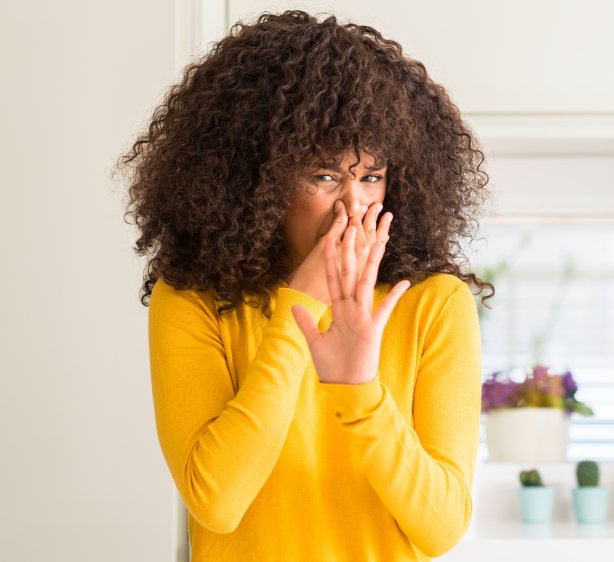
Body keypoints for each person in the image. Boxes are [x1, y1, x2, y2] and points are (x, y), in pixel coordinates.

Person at [118, 10, 494, 561]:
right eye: (324, 175)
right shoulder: (194, 301)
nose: (353, 203)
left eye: (370, 177)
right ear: (258, 178)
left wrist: (360, 389)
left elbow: (441, 528)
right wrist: (301, 305)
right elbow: (216, 501)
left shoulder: (433, 304)